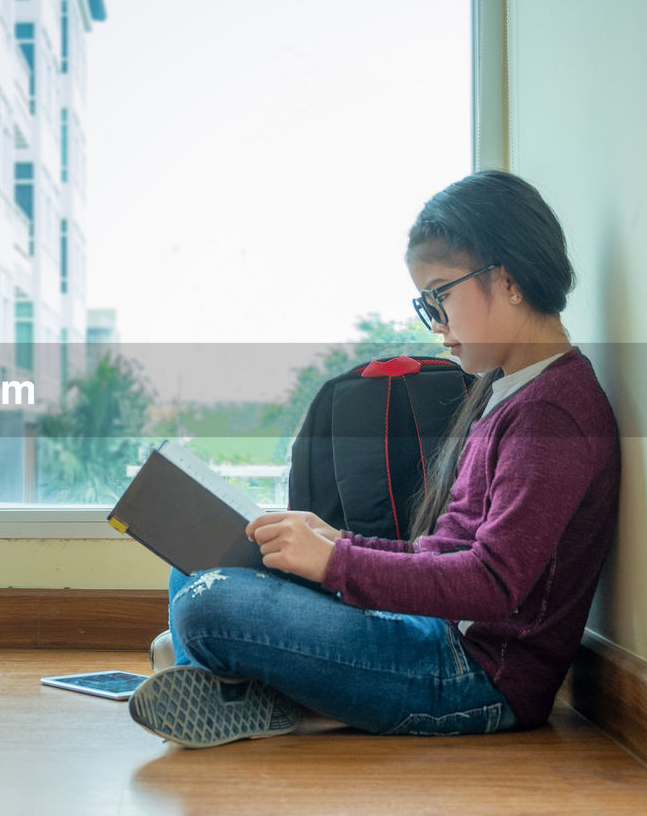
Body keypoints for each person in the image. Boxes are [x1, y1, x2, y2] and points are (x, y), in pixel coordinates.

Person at [128, 171, 621, 748]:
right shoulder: (507, 389)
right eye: (425, 302)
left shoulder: (551, 418)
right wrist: (337, 542)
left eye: (441, 295)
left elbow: (490, 585)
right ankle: (238, 684)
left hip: (473, 678)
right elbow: (441, 554)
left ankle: (228, 677)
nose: (435, 322)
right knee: (197, 558)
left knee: (208, 610)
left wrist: (336, 566)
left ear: (508, 281)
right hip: (426, 631)